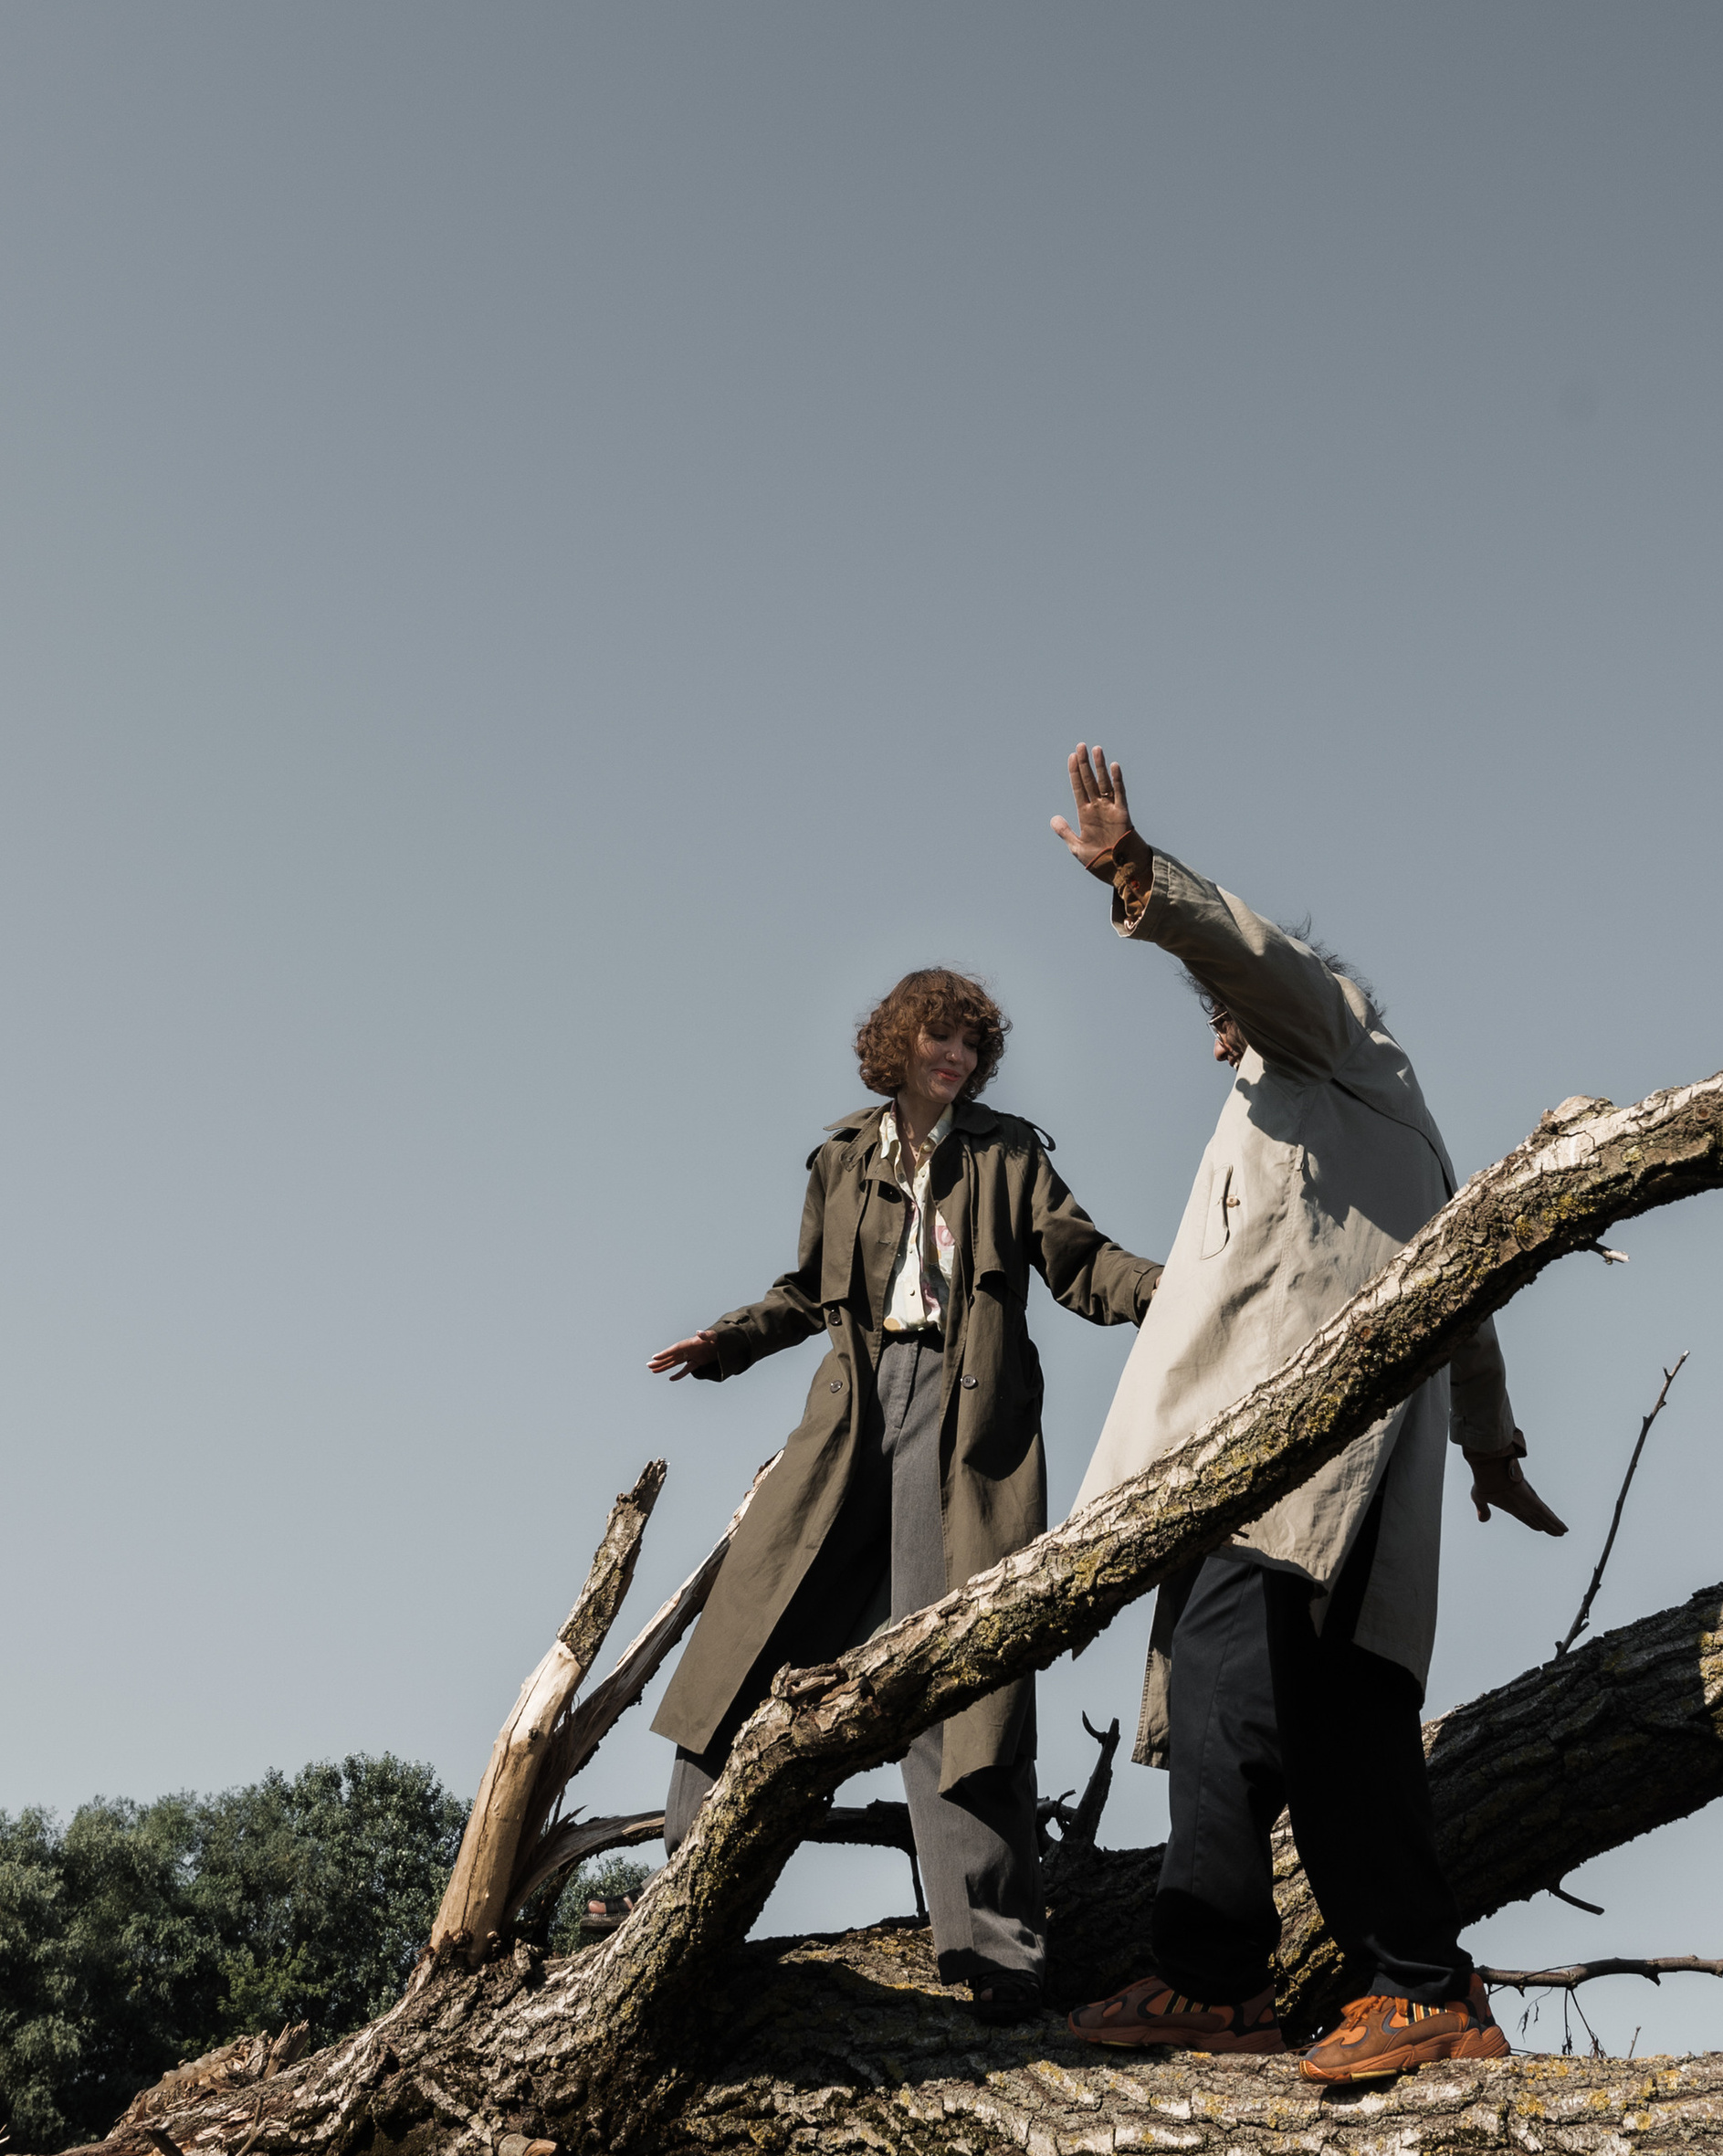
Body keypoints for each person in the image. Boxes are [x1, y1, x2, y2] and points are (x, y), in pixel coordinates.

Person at [1050, 748, 1567, 2084]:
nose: (1217, 1020)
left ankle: (1293, 1981)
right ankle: (1353, 1985)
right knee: (1302, 1724)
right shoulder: (1364, 1118)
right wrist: (1491, 1442)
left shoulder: (1333, 1038)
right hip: (1320, 1485)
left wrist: (1139, 878)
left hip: (1297, 1478)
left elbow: (1263, 961)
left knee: (1254, 1696)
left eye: (1224, 999)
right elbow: (1472, 1290)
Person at [646, 966, 1160, 2024]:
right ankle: (676, 1910)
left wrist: (1171, 1291)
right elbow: (801, 1291)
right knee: (751, 1646)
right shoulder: (842, 1156)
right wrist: (729, 1340)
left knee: (962, 1683)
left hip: (968, 1430)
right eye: (940, 1037)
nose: (957, 1056)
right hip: (848, 1424)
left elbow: (1077, 1261)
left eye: (972, 1044)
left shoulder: (1010, 1153)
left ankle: (996, 1954)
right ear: (898, 1043)